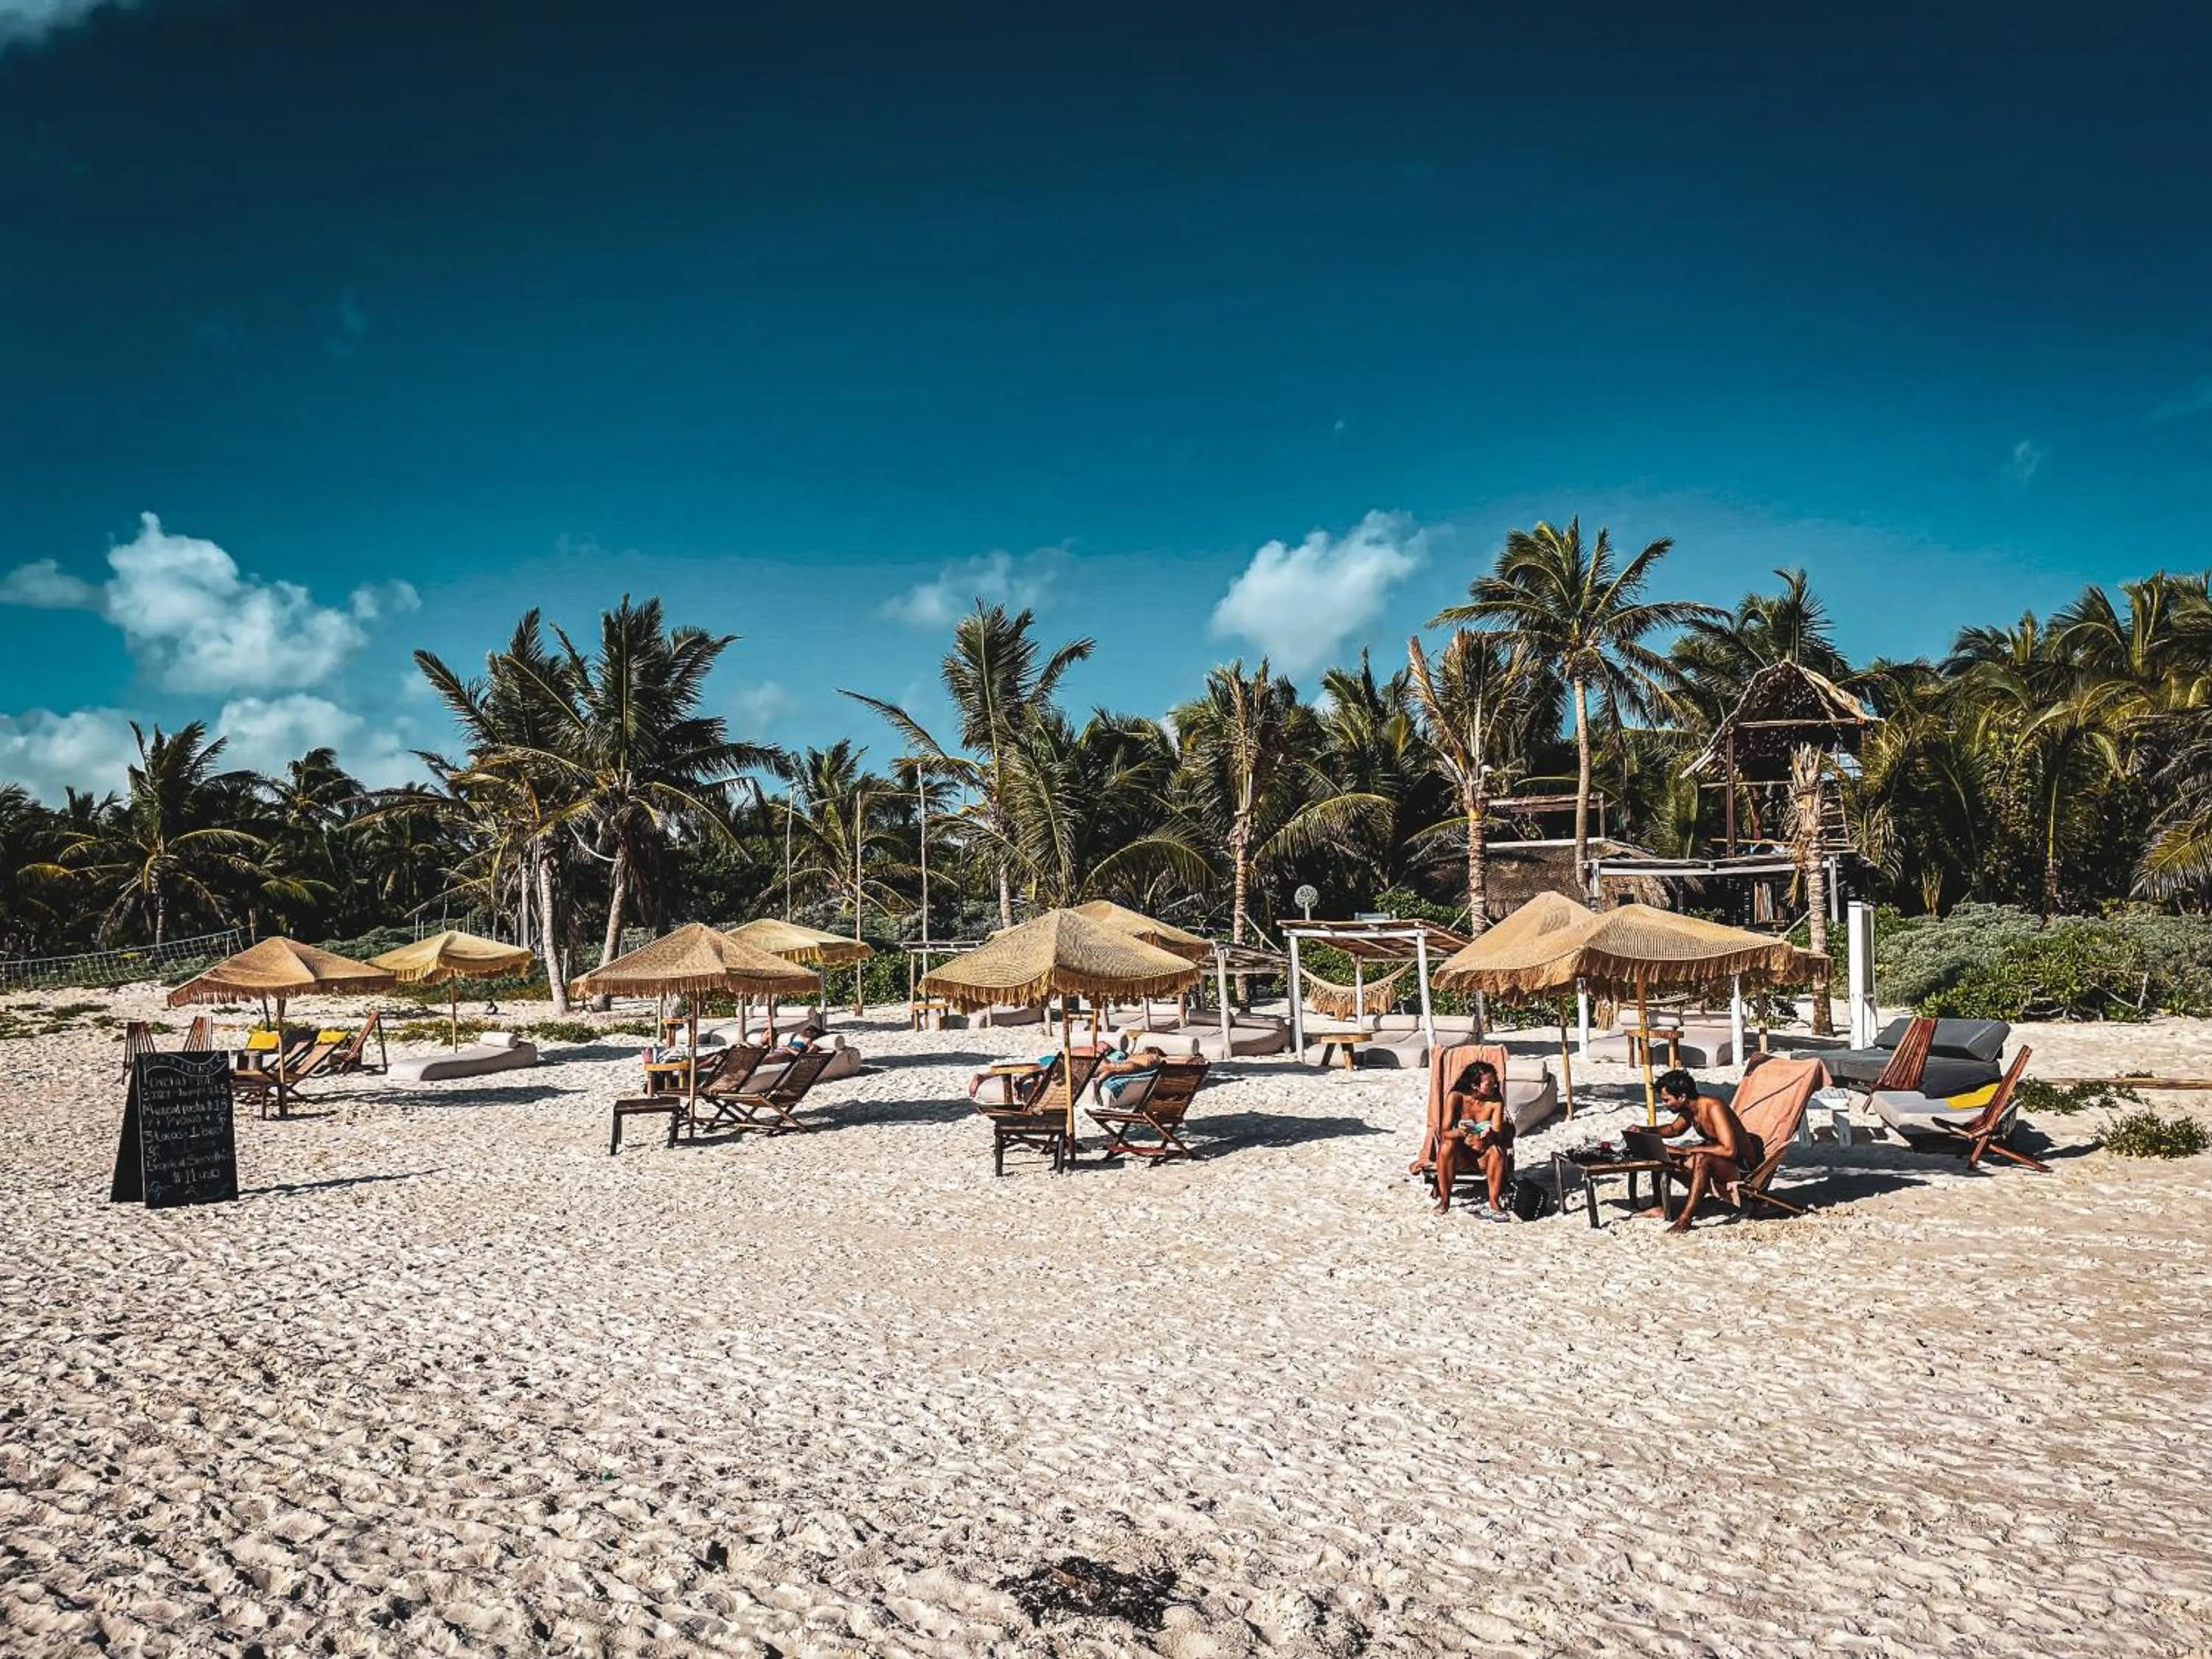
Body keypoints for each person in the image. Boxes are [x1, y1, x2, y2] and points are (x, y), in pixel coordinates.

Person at [1652, 1068, 1755, 1234]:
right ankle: (1659, 1207)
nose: (1665, 1105)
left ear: (1682, 1097)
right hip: (1719, 1160)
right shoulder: (1690, 1109)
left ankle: (1685, 1219)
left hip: (1741, 1167)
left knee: (1701, 1158)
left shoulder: (1713, 1107)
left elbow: (1729, 1150)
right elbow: (1674, 1129)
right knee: (1661, 1153)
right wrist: (1645, 1131)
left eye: (1667, 1100)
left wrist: (1687, 1150)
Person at [1433, 1058, 1513, 1221]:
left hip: (1483, 1154)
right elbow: (1444, 1132)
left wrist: (1490, 1134)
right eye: (1489, 1084)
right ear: (1475, 1085)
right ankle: (1445, 1201)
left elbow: (1498, 1133)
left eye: (1495, 1082)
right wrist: (1460, 1132)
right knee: (1446, 1146)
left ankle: (1494, 1202)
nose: (1494, 1087)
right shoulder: (1456, 1097)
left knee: (1497, 1151)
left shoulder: (1495, 1101)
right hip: (1461, 1155)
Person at [1094, 1044, 1167, 1107]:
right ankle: (1096, 1080)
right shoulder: (1149, 1062)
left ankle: (1096, 1080)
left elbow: (1112, 1070)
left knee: (1112, 1069)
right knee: (1112, 1069)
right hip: (1128, 1066)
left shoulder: (1149, 1059)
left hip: (1129, 1066)